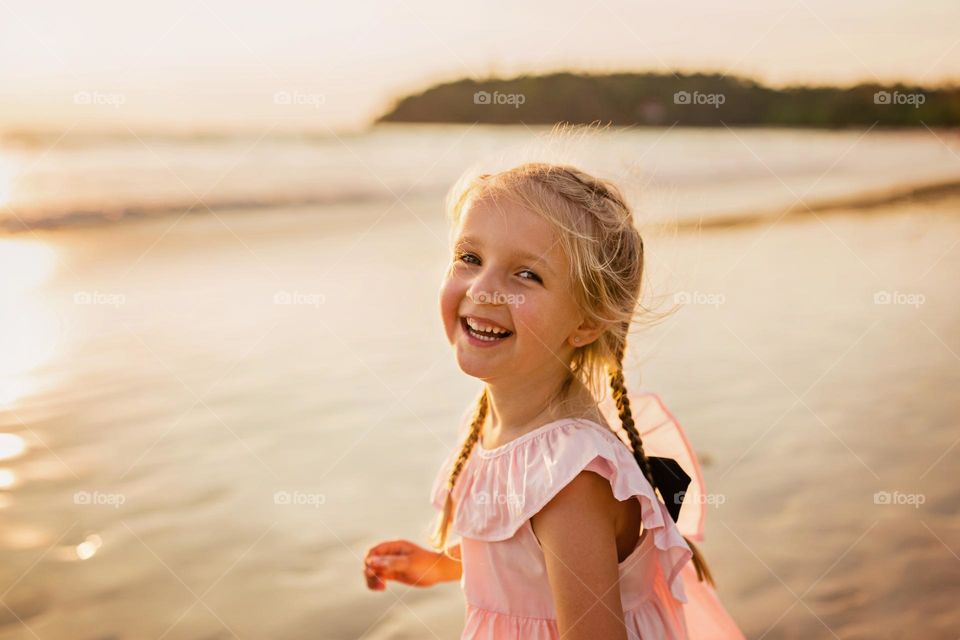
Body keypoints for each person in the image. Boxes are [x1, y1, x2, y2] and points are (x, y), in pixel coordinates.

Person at [364, 162, 745, 639]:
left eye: (527, 274)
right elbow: (521, 551)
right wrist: (442, 565)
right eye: (469, 257)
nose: (482, 288)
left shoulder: (570, 482)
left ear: (586, 323)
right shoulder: (502, 421)